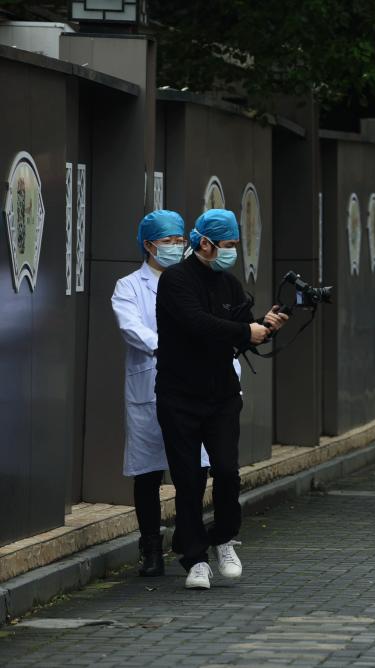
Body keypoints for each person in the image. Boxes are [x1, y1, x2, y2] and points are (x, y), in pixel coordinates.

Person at [156, 209, 288, 590]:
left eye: (234, 245)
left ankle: (224, 537)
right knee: (187, 478)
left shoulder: (229, 284)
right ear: (206, 244)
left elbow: (242, 330)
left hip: (222, 395)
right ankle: (195, 559)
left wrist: (265, 327)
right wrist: (243, 329)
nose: (231, 252)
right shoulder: (176, 282)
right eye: (227, 245)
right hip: (179, 395)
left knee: (228, 471)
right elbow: (198, 324)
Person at [112, 210, 210, 576]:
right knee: (149, 473)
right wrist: (173, 349)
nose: (175, 246)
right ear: (149, 244)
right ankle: (151, 548)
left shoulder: (195, 282)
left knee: (197, 468)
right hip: (150, 388)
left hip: (193, 388)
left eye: (179, 239)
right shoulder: (129, 286)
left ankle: (187, 537)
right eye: (167, 241)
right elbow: (131, 329)